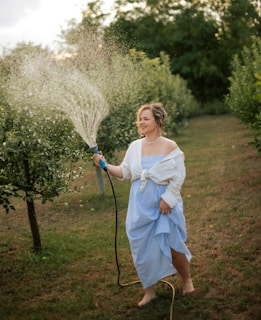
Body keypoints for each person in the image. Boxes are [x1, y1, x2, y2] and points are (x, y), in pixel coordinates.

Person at [93, 102, 195, 307]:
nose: (141, 122)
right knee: (142, 249)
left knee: (173, 246)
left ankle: (187, 281)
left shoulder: (170, 146)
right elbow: (125, 172)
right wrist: (105, 165)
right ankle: (149, 291)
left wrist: (168, 199)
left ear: (157, 121)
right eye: (139, 119)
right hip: (141, 205)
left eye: (145, 118)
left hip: (164, 204)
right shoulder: (134, 147)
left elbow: (178, 176)